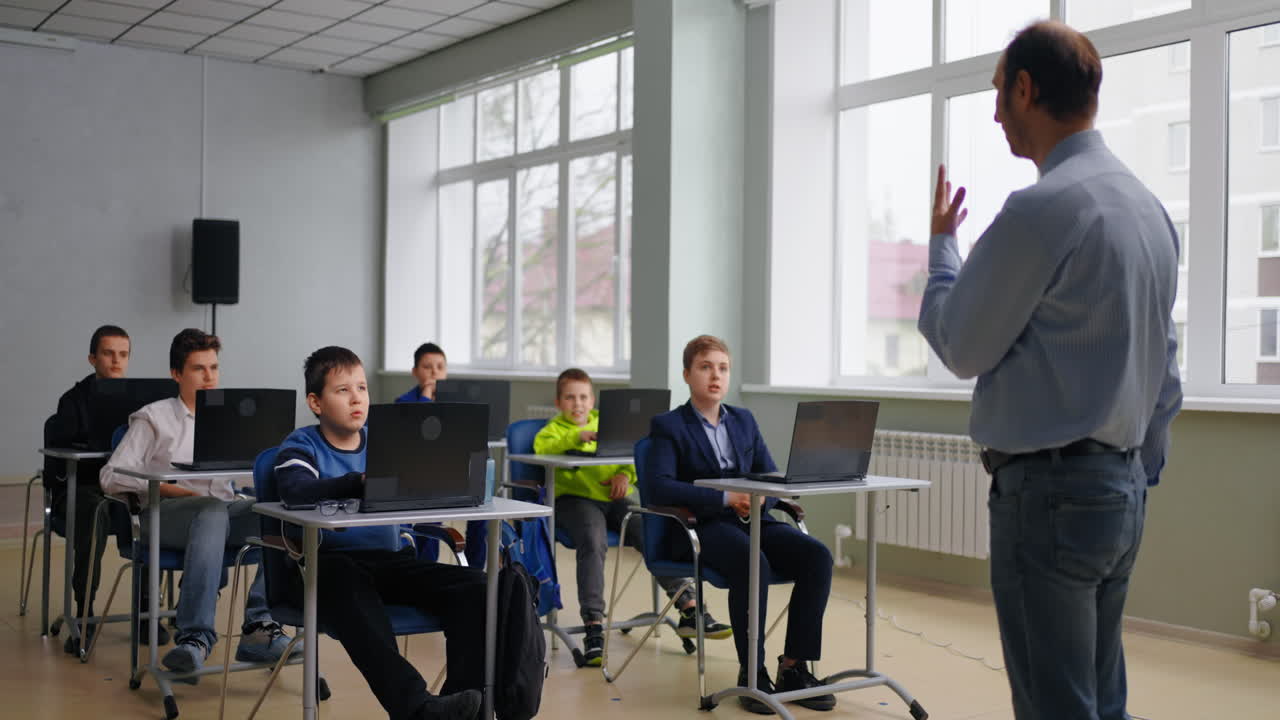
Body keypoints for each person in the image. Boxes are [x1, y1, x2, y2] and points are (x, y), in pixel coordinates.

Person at [918, 21, 1183, 720]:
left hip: (1050, 496)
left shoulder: (1042, 210)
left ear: (1027, 89)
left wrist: (943, 249)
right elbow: (1168, 370)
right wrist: (1131, 470)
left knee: (1054, 705)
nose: (996, 111)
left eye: (999, 93)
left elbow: (961, 344)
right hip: (1119, 491)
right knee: (1100, 696)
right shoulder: (1149, 211)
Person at [273, 346, 484, 720]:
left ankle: (462, 704)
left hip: (388, 564)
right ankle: (417, 708)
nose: (357, 398)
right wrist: (359, 482)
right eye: (343, 390)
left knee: (478, 587)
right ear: (315, 402)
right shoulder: (301, 445)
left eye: (362, 388)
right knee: (343, 572)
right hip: (325, 569)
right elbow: (295, 490)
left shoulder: (386, 441)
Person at [648, 335, 835, 715]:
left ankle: (794, 668)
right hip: (702, 526)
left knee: (818, 556)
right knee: (755, 564)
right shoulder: (669, 425)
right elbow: (659, 485)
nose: (715, 375)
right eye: (705, 367)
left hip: (753, 519)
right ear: (687, 374)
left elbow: (765, 471)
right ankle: (753, 674)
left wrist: (768, 495)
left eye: (722, 368)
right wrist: (723, 499)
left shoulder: (744, 420)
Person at [99, 328, 298, 678]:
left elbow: (250, 481)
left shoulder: (231, 419)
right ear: (177, 374)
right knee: (210, 510)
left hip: (219, 515)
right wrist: (180, 492)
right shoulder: (154, 417)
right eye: (198, 369)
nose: (209, 377)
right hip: (163, 517)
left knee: (280, 515)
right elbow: (111, 476)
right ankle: (194, 639)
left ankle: (258, 627)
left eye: (214, 367)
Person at [534, 368, 730, 667]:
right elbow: (542, 448)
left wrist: (625, 475)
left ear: (593, 401)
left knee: (650, 530)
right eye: (570, 398)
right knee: (592, 538)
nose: (578, 404)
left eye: (584, 397)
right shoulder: (553, 429)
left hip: (614, 500)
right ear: (559, 402)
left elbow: (633, 457)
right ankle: (594, 626)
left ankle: (690, 607)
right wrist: (577, 435)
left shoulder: (607, 424)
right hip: (574, 502)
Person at [46, 325, 130, 651]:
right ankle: (84, 612)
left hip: (125, 487)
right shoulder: (72, 401)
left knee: (156, 512)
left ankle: (149, 610)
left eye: (123, 355)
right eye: (108, 354)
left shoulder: (138, 401)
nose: (116, 361)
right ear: (93, 358)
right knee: (94, 515)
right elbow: (63, 454)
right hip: (83, 488)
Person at [393, 341, 484, 565]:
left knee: (483, 517)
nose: (435, 372)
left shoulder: (457, 402)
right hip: (417, 476)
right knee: (430, 518)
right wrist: (425, 396)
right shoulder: (404, 402)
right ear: (415, 372)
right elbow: (416, 438)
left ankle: (474, 570)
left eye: (440, 367)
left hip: (453, 472)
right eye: (427, 367)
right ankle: (427, 567)